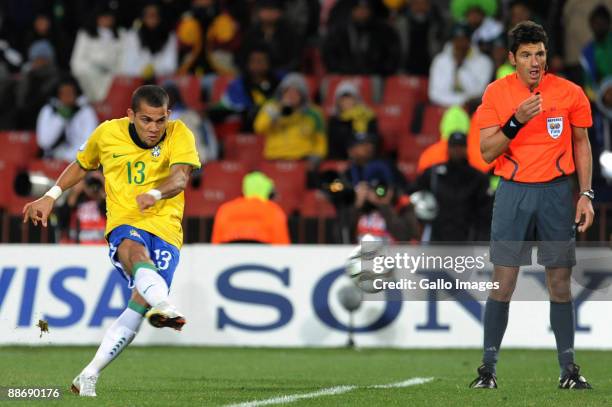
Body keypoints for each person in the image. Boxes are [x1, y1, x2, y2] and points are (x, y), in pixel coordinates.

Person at [22, 85, 201, 396]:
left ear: (168, 116)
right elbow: (82, 165)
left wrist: (155, 193)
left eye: (160, 120)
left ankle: (88, 375)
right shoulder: (107, 134)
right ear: (130, 115)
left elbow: (181, 177)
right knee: (133, 252)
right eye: (146, 120)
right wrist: (50, 196)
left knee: (137, 306)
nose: (154, 128)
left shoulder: (179, 132)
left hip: (167, 229)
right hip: (124, 222)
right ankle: (164, 304)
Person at [471, 21, 594, 389]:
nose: (534, 61)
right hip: (513, 192)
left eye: (539, 53)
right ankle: (487, 370)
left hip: (557, 193)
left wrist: (585, 194)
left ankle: (568, 371)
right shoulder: (496, 93)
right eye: (526, 55)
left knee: (559, 283)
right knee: (502, 283)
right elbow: (487, 151)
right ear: (512, 59)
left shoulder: (570, 93)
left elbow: (581, 143)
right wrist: (516, 121)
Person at [415, 131, 491, 241]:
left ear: (466, 148)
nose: (457, 150)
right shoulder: (433, 174)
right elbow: (414, 192)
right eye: (454, 147)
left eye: (460, 147)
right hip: (437, 235)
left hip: (467, 237)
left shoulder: (478, 177)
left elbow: (485, 213)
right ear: (448, 149)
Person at [254, 73, 326, 162]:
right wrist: (277, 112)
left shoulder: (314, 113)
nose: (291, 96)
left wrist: (316, 157)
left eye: (296, 92)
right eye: (288, 92)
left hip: (302, 159)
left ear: (303, 95)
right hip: (274, 158)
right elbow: (259, 128)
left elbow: (320, 141)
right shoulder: (271, 107)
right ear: (282, 93)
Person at [212, 171, 290, 244]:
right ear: (267, 191)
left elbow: (215, 245)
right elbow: (282, 248)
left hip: (230, 258)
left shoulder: (225, 210)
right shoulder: (274, 211)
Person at [428, 23, 493, 107]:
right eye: (457, 40)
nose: (460, 44)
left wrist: (461, 67)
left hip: (472, 111)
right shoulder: (440, 61)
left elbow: (479, 93)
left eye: (464, 40)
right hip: (442, 109)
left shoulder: (484, 62)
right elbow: (434, 94)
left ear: (470, 41)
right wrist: (462, 100)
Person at [36, 76, 99, 162]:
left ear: (76, 93)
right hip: (51, 159)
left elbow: (88, 143)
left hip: (76, 160)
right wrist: (60, 118)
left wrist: (68, 158)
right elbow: (44, 142)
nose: (67, 97)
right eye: (63, 94)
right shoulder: (49, 110)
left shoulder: (86, 111)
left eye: (70, 93)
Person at [327, 80, 378, 160]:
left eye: (350, 98)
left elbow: (374, 139)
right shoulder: (334, 121)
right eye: (343, 99)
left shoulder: (368, 116)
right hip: (341, 158)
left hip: (366, 157)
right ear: (338, 102)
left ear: (356, 99)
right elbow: (333, 145)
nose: (347, 101)